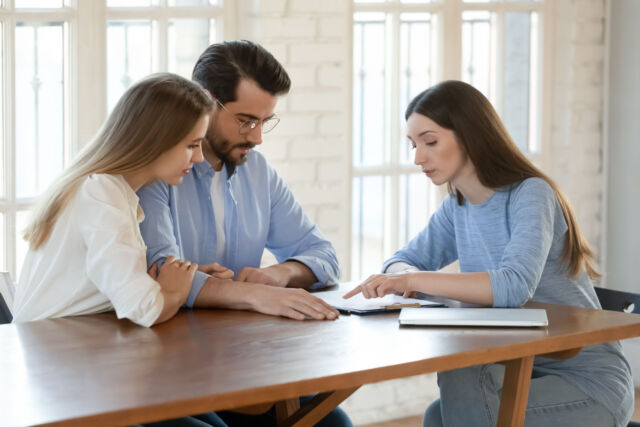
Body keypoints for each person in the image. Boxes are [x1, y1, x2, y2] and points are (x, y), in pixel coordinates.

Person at [345, 80, 633, 427]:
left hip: (588, 385)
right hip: (520, 371)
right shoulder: (458, 207)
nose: (418, 157)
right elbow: (400, 260)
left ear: (468, 135)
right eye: (413, 145)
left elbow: (513, 286)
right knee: (438, 414)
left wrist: (411, 280)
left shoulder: (531, 194)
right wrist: (403, 276)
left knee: (458, 384)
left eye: (430, 142)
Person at [137, 40, 351, 427]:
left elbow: (323, 255)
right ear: (205, 102)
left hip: (244, 366)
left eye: (264, 122)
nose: (256, 137)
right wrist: (254, 296)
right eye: (246, 120)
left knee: (333, 423)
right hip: (167, 372)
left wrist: (276, 276)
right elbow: (159, 272)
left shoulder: (258, 171)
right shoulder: (160, 172)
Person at [12, 73, 212, 328]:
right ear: (156, 138)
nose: (200, 159)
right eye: (192, 145)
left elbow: (127, 294)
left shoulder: (111, 191)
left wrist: (166, 283)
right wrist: (175, 293)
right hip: (53, 352)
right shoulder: (100, 192)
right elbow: (145, 308)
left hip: (69, 344)